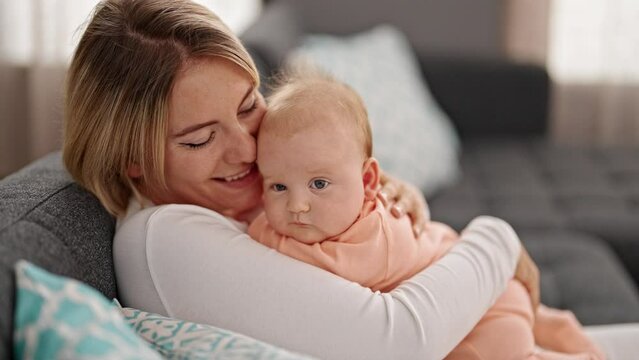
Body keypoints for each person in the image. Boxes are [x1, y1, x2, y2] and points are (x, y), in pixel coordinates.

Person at [60, 0, 638, 359]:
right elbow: (397, 342)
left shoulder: (233, 197)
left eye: (246, 106)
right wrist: (498, 240)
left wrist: (385, 195)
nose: (247, 148)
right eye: (199, 138)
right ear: (131, 158)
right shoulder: (166, 240)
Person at [248, 69, 605, 360]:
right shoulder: (317, 220)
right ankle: (549, 325)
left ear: (368, 180)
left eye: (319, 184)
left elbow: (320, 273)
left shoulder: (376, 236)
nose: (297, 206)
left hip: (485, 305)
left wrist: (259, 236)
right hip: (465, 294)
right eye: (278, 187)